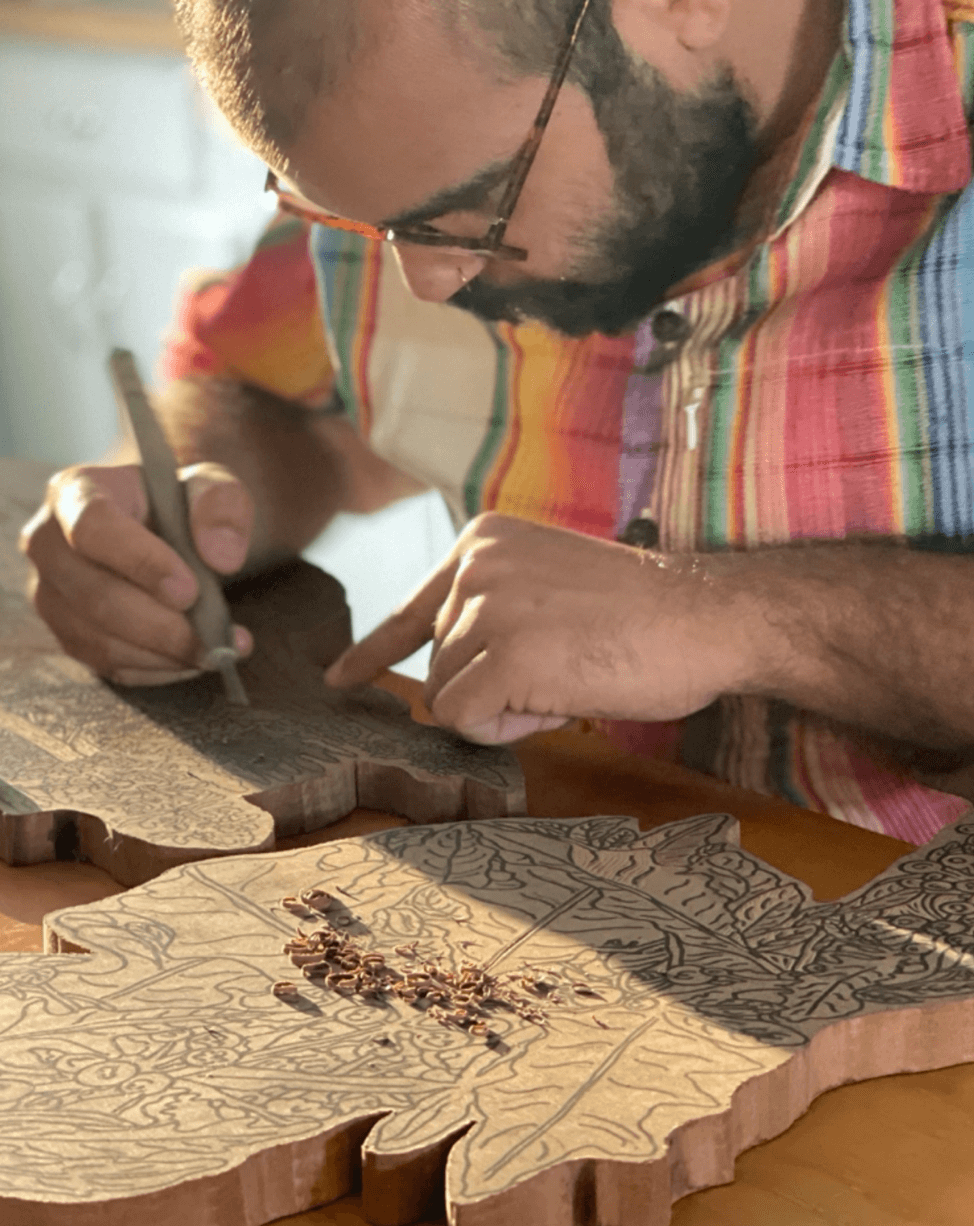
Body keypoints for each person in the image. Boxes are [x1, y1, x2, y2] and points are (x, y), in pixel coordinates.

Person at [20, 0, 974, 845]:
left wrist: (736, 619)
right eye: (355, 222)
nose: (423, 282)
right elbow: (278, 404)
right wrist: (184, 514)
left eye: (470, 212)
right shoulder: (404, 151)